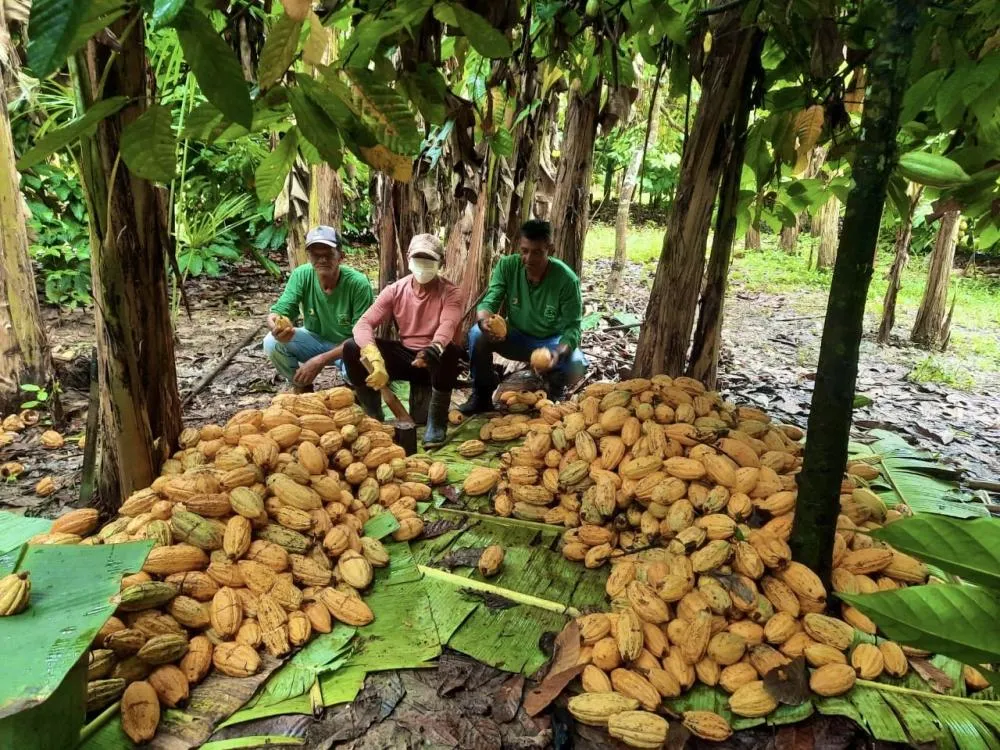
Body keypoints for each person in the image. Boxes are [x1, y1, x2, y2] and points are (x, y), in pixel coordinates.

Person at [343, 234, 464, 447]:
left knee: (450, 351)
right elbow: (363, 324)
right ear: (408, 259)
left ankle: (436, 422)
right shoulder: (395, 290)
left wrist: (435, 347)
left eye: (429, 261)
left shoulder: (451, 292)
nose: (423, 266)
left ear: (440, 263)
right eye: (418, 260)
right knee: (352, 348)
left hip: (434, 358)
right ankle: (373, 414)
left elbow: (448, 323)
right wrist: (374, 357)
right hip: (405, 355)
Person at [459, 219, 586, 414]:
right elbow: (489, 301)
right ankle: (482, 396)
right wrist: (485, 321)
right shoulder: (508, 266)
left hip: (549, 343)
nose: (528, 259)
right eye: (524, 251)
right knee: (477, 334)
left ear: (550, 250)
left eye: (537, 252)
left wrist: (557, 354)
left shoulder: (567, 280)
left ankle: (555, 395)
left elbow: (572, 328)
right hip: (515, 337)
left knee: (576, 362)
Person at [263, 226, 374, 392]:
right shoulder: (302, 275)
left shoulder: (358, 284)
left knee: (362, 359)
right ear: (309, 257)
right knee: (271, 343)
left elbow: (359, 338)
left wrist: (319, 360)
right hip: (313, 339)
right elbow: (281, 310)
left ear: (341, 257)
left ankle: (353, 390)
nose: (322, 260)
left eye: (328, 254)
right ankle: (302, 386)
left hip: (348, 346)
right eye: (316, 255)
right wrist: (275, 325)